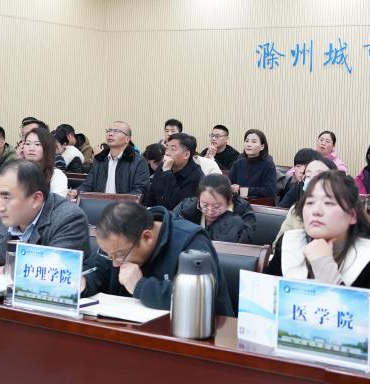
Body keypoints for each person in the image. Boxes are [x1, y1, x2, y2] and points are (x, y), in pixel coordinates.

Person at [266, 171, 370, 341]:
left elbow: (365, 330)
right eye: (310, 202)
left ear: (352, 216)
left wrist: (323, 265)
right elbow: (265, 305)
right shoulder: (290, 243)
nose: (316, 211)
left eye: (328, 203)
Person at [82, 200, 234, 315]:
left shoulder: (191, 243)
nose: (115, 263)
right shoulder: (116, 246)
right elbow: (97, 270)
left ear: (147, 237)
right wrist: (84, 283)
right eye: (109, 255)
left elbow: (197, 299)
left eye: (120, 255)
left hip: (200, 337)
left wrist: (140, 286)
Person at [0, 160, 90, 275]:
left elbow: (57, 271)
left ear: (36, 199)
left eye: (7, 197)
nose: (0, 206)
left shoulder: (68, 218)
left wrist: (6, 271)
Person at [173, 173, 256, 243]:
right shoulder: (186, 208)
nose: (210, 211)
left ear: (229, 201)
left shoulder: (242, 211)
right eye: (205, 205)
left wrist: (229, 219)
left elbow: (232, 247)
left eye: (216, 207)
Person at [273, 156, 338, 244]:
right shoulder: (295, 210)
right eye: (308, 176)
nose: (312, 179)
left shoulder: (340, 212)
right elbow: (278, 245)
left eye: (319, 175)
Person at [77, 121, 150, 195]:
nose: (110, 134)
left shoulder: (139, 161)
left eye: (116, 131)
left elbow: (140, 190)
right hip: (99, 201)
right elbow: (88, 185)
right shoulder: (99, 159)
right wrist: (77, 191)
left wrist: (120, 201)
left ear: (127, 139)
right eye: (109, 131)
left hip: (125, 202)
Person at [143, 133, 203, 210]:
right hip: (156, 214)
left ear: (186, 154)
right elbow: (151, 197)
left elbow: (177, 206)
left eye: (173, 149)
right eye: (167, 148)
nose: (167, 153)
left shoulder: (196, 176)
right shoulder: (162, 166)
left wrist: (167, 172)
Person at [227, 129, 276, 200]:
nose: (249, 144)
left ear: (262, 146)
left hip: (259, 203)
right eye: (247, 141)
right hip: (237, 201)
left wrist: (242, 190)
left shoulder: (268, 164)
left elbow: (270, 191)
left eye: (254, 142)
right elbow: (227, 183)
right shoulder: (238, 163)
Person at [20, 127, 68, 198]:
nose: (31, 148)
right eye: (27, 144)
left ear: (47, 148)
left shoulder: (57, 176)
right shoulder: (16, 172)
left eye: (37, 144)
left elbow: (56, 203)